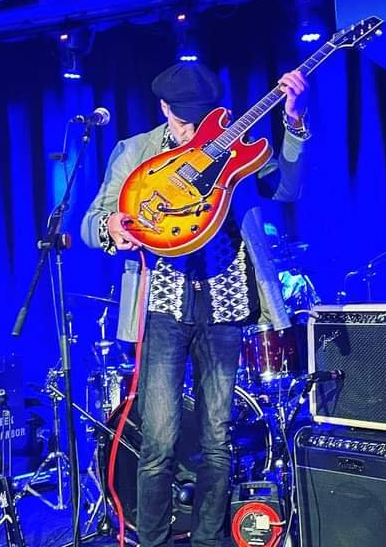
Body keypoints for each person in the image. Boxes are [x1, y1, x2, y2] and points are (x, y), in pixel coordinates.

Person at [81, 62, 310, 546]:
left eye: (198, 117)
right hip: (162, 303)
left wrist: (293, 120)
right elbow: (93, 220)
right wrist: (112, 227)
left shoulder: (234, 144)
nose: (190, 128)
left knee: (217, 439)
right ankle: (154, 541)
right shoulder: (136, 151)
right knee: (159, 440)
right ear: (164, 108)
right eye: (183, 118)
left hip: (225, 300)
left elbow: (286, 189)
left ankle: (209, 540)